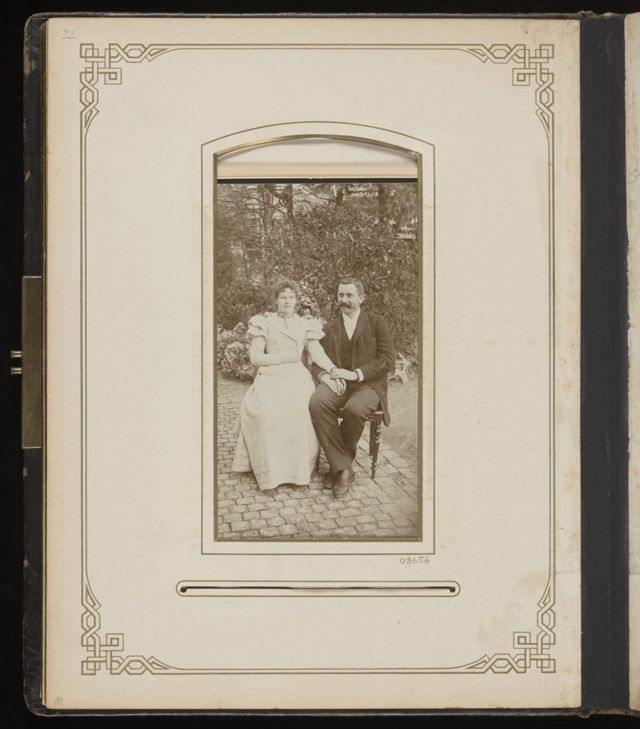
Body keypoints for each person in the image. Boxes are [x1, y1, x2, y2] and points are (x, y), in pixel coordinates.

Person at [231, 280, 337, 491]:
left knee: (300, 409)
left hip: (296, 376)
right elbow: (255, 357)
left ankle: (297, 473)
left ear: (296, 301)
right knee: (266, 411)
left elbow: (318, 354)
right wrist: (281, 358)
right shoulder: (264, 323)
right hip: (270, 374)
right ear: (276, 301)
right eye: (283, 297)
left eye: (291, 297)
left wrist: (334, 370)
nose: (287, 301)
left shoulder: (305, 325)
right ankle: (270, 473)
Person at [309, 277, 395, 498]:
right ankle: (344, 469)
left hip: (368, 385)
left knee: (354, 409)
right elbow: (316, 362)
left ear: (361, 298)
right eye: (341, 295)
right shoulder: (329, 327)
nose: (344, 300)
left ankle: (339, 468)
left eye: (349, 295)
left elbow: (387, 360)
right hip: (337, 384)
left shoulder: (376, 323)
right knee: (317, 402)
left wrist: (356, 374)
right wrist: (326, 376)